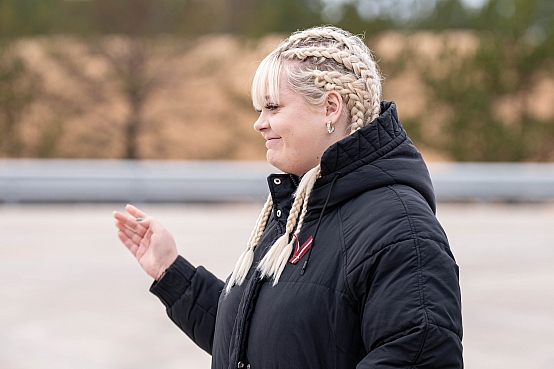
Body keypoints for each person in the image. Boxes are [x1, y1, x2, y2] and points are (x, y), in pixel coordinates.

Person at [113, 26, 463, 368]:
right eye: (259, 110)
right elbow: (258, 341)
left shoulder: (401, 229)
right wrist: (170, 271)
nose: (259, 124)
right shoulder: (299, 208)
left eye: (273, 107)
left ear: (330, 107)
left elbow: (417, 355)